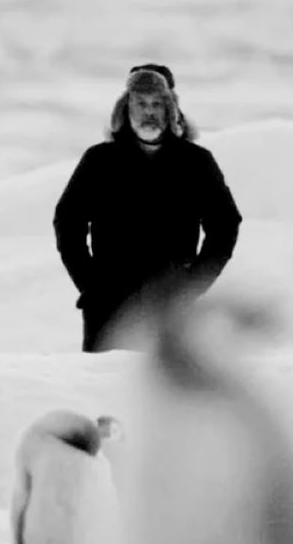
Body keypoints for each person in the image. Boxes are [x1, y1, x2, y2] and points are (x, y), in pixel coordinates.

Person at [52, 63, 243, 353]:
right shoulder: (99, 161)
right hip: (109, 309)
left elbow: (225, 225)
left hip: (171, 308)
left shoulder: (196, 163)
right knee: (102, 390)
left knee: (163, 393)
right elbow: (68, 222)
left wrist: (192, 286)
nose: (148, 112)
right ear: (125, 109)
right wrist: (91, 285)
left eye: (157, 104)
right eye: (140, 103)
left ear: (172, 111)